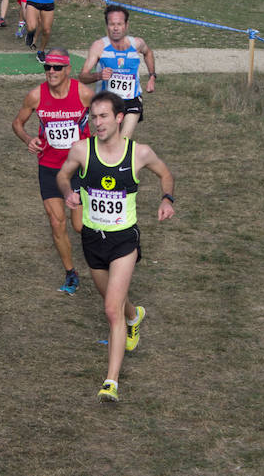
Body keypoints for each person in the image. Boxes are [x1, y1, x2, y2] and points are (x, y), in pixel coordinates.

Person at [56, 91, 175, 402]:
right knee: (115, 301)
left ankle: (111, 382)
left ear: (119, 118)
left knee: (110, 310)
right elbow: (62, 175)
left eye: (104, 116)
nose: (97, 123)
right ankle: (135, 317)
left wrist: (167, 199)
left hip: (124, 240)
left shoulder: (140, 153)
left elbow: (165, 174)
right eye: (94, 117)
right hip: (92, 239)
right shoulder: (82, 150)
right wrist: (69, 192)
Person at [12, 48, 94, 294]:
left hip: (79, 167)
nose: (51, 72)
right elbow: (17, 123)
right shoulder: (36, 96)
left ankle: (107, 253)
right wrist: (28, 138)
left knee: (79, 226)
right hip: (49, 166)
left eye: (57, 67)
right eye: (47, 67)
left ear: (68, 69)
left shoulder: (84, 93)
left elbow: (107, 118)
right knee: (56, 221)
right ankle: (71, 273)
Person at [78, 5, 157, 138]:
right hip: (107, 102)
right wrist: (98, 75)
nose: (115, 28)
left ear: (126, 25)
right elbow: (82, 76)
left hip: (132, 100)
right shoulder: (99, 46)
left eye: (119, 24)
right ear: (106, 26)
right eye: (112, 24)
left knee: (123, 141)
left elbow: (148, 53)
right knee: (107, 140)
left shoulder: (137, 44)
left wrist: (152, 77)